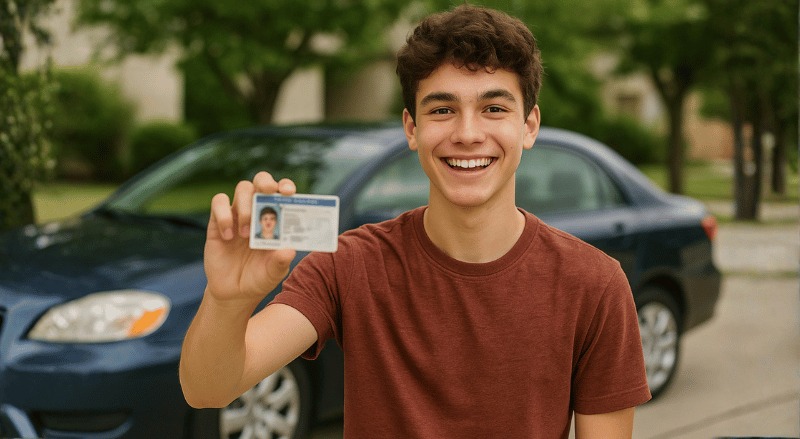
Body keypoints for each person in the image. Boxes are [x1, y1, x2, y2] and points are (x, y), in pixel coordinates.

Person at [180, 4, 651, 438]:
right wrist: (228, 299)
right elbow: (208, 390)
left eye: (493, 108)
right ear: (412, 128)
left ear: (528, 126)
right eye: (443, 110)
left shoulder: (595, 285)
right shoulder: (350, 264)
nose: (468, 134)